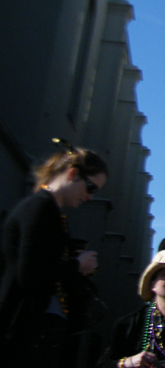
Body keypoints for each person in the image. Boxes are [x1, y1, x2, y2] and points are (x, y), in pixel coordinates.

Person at [0, 141, 108, 367]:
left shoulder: (50, 211)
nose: (90, 197)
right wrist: (76, 265)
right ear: (72, 173)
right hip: (21, 332)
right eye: (91, 188)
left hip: (32, 333)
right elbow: (31, 276)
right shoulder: (40, 208)